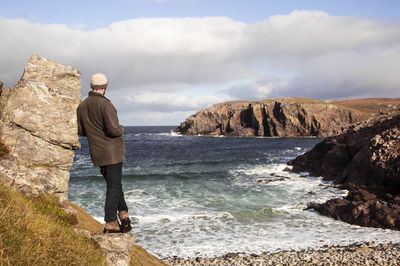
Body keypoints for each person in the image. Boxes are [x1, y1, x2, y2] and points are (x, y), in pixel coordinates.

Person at [77, 73, 132, 233]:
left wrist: (96, 134)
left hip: (97, 152)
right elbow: (114, 130)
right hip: (112, 152)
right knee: (114, 186)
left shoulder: (82, 106)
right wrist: (121, 129)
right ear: (106, 86)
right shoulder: (106, 105)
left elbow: (81, 131)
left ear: (91, 86)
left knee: (114, 184)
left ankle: (124, 215)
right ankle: (110, 222)